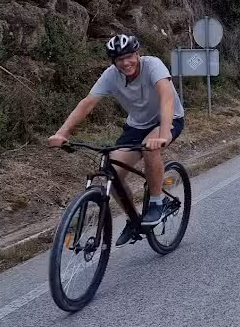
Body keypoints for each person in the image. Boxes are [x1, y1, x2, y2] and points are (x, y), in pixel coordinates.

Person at [48, 34, 185, 245]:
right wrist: (62, 133)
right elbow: (88, 103)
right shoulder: (111, 75)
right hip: (136, 125)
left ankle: (157, 203)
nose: (125, 62)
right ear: (113, 61)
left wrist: (165, 133)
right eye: (119, 59)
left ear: (137, 54)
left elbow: (166, 98)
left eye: (129, 56)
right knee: (113, 173)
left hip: (169, 118)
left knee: (151, 150)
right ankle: (134, 219)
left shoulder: (153, 65)